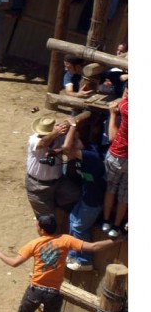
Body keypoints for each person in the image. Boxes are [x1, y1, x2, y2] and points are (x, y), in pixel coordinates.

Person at [0, 214, 123, 312]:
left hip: (35, 290)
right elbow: (93, 247)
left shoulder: (35, 244)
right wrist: (116, 240)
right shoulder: (66, 240)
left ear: (41, 230)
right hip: (53, 293)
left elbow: (14, 263)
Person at [60, 116, 107, 271]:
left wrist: (73, 126)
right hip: (87, 197)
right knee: (72, 218)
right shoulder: (84, 152)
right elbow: (67, 148)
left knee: (79, 227)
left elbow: (67, 147)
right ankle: (74, 253)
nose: (72, 148)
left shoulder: (90, 156)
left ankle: (85, 260)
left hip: (95, 201)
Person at [24, 115, 80, 218]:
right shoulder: (34, 140)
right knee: (47, 219)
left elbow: (68, 147)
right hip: (38, 186)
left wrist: (72, 127)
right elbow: (42, 143)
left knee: (76, 195)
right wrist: (56, 133)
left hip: (58, 182)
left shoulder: (60, 138)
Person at [101, 85, 128, 238]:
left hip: (117, 156)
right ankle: (117, 226)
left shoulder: (124, 107)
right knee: (125, 195)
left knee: (110, 189)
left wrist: (112, 114)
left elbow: (111, 137)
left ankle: (106, 220)